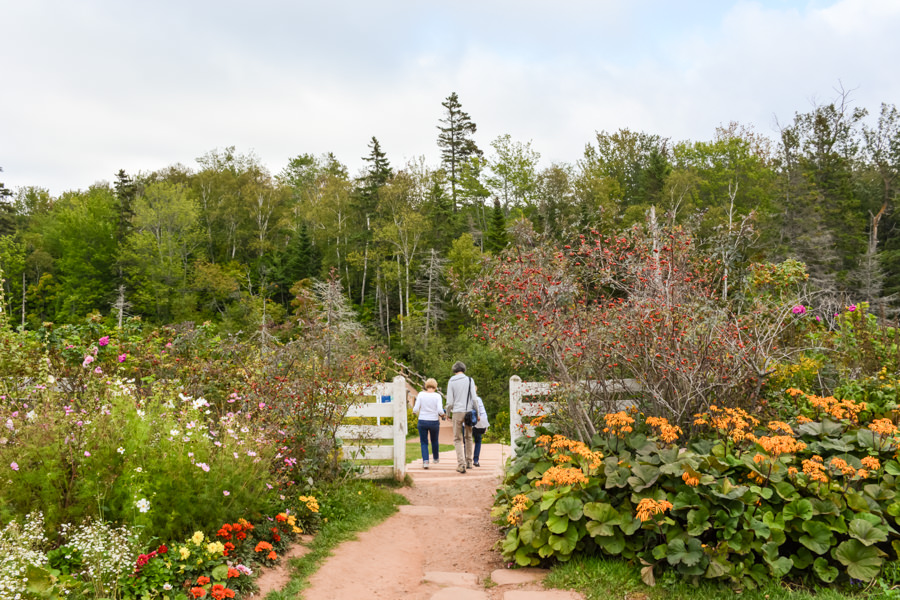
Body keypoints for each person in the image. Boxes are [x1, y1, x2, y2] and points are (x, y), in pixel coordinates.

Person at [445, 361, 476, 473]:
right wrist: (477, 412)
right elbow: (474, 398)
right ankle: (469, 462)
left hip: (457, 412)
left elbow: (450, 401)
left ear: (454, 370)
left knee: (457, 438)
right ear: (464, 369)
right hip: (468, 412)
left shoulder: (451, 381)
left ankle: (461, 464)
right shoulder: (469, 380)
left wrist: (447, 413)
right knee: (468, 437)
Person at [412, 378, 444, 469]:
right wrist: (442, 415)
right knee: (434, 440)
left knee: (424, 442)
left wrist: (414, 412)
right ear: (435, 386)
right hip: (434, 421)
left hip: (422, 421)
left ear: (426, 386)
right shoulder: (437, 396)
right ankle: (436, 458)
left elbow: (415, 408)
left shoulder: (421, 394)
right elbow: (440, 410)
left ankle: (425, 461)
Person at [471, 388, 489, 467]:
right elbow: (483, 412)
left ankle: (466, 459)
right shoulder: (478, 399)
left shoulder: (463, 400)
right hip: (477, 424)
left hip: (467, 424)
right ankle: (476, 460)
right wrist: (485, 424)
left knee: (466, 442)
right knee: (478, 440)